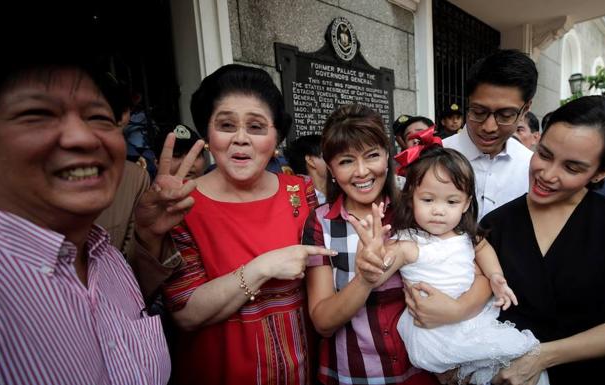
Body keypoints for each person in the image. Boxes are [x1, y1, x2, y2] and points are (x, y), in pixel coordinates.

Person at [0, 43, 188, 384]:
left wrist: (149, 237)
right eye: (37, 115)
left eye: (98, 118)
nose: (82, 138)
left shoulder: (106, 258)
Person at [159, 64, 336, 385]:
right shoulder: (181, 204)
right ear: (208, 134)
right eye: (226, 125)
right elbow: (185, 312)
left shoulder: (301, 192)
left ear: (276, 137)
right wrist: (262, 267)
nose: (240, 139)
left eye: (256, 127)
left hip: (305, 369)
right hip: (220, 369)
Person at [302, 103, 492, 385]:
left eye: (372, 156)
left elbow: (477, 273)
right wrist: (365, 278)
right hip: (358, 372)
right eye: (346, 161)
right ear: (330, 168)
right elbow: (323, 321)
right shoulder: (322, 222)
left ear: (388, 156)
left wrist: (458, 309)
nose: (362, 171)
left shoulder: (421, 207)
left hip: (426, 368)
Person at [479, 96, 605, 385]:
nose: (547, 174)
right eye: (544, 154)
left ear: (601, 172)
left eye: (572, 168)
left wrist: (541, 356)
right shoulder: (495, 225)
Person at [384, 146, 545, 385]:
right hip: (433, 329)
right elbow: (382, 266)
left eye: (451, 201)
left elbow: (483, 249)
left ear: (467, 203)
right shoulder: (409, 242)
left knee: (519, 365)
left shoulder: (466, 236)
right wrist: (372, 256)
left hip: (473, 319)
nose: (438, 210)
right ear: (411, 199)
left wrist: (495, 276)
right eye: (428, 200)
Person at [443, 49, 538, 219]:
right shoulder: (436, 155)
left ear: (526, 109)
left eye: (505, 115)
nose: (489, 127)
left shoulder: (532, 167)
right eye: (478, 112)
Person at [285, 134, 327, 204]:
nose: (335, 160)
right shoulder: (294, 199)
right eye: (328, 155)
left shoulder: (342, 192)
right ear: (311, 161)